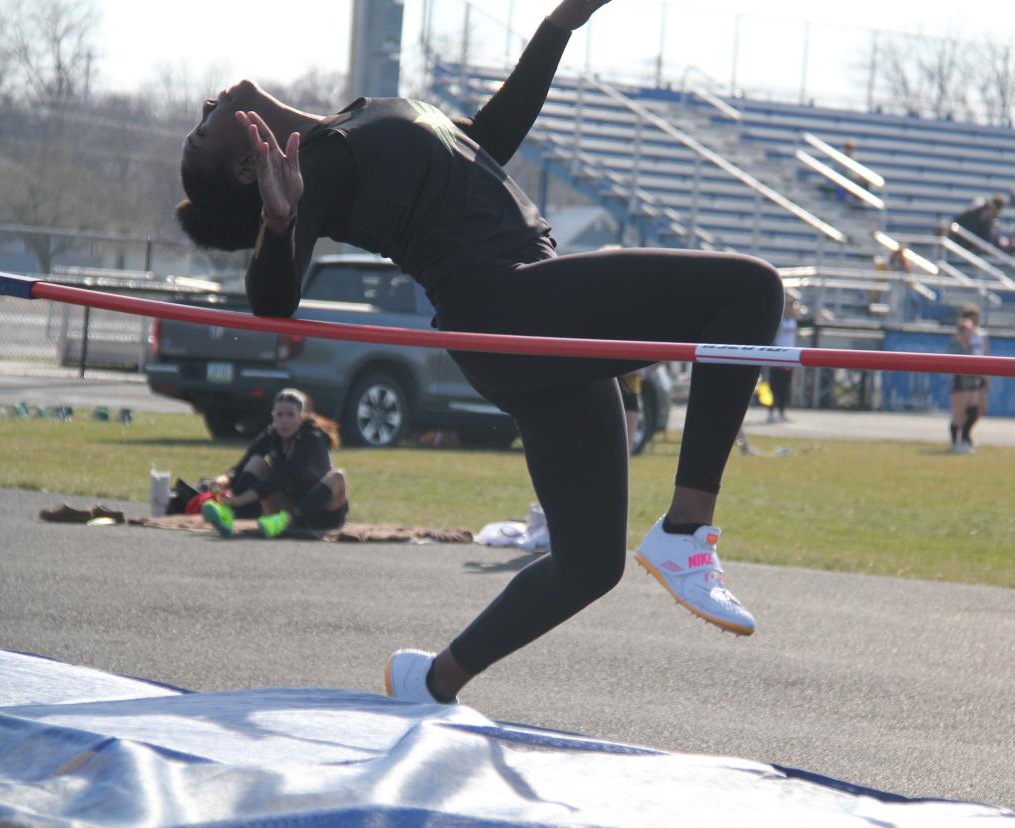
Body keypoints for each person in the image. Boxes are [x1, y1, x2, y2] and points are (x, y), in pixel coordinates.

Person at [174, 0, 783, 706]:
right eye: (200, 132)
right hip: (509, 308)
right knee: (750, 294)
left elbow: (486, 138)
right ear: (250, 167)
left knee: (588, 566)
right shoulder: (320, 168)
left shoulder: (353, 121)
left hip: (517, 316)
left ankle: (430, 680)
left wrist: (559, 25)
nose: (206, 106)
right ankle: (686, 527)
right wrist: (279, 226)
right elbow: (273, 305)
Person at [201, 388, 349, 538]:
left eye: (290, 415)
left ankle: (284, 520)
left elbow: (283, 477)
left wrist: (240, 500)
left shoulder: (312, 440)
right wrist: (221, 481)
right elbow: (241, 467)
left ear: (301, 417)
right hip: (287, 506)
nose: (284, 420)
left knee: (338, 476)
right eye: (279, 415)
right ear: (273, 416)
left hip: (321, 514)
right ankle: (227, 513)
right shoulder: (271, 435)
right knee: (256, 462)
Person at [947, 307, 988, 453]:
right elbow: (954, 359)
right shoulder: (957, 341)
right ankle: (956, 443)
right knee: (958, 414)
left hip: (974, 379)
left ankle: (965, 438)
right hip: (961, 380)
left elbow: (983, 356)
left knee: (974, 410)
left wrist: (984, 378)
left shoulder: (978, 338)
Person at [766, 295, 800, 423]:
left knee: (785, 387)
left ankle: (781, 411)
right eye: (788, 305)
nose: (790, 308)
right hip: (778, 357)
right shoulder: (779, 321)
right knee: (774, 387)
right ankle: (771, 411)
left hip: (790, 358)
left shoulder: (793, 321)